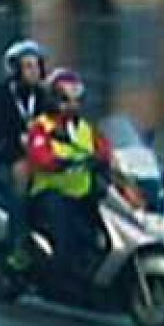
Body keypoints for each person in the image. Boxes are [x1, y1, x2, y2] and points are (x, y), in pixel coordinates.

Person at [25, 68, 114, 279]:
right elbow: (39, 154)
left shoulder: (85, 128)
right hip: (50, 193)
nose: (72, 105)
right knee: (65, 235)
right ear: (53, 99)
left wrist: (106, 158)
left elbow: (104, 147)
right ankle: (57, 277)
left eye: (76, 100)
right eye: (65, 100)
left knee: (99, 230)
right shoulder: (42, 126)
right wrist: (59, 162)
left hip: (82, 195)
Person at [0, 40, 50, 270]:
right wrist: (15, 145)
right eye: (28, 66)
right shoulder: (1, 95)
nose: (34, 71)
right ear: (16, 70)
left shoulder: (43, 96)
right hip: (7, 160)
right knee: (20, 183)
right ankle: (18, 245)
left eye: (37, 66)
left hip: (41, 159)